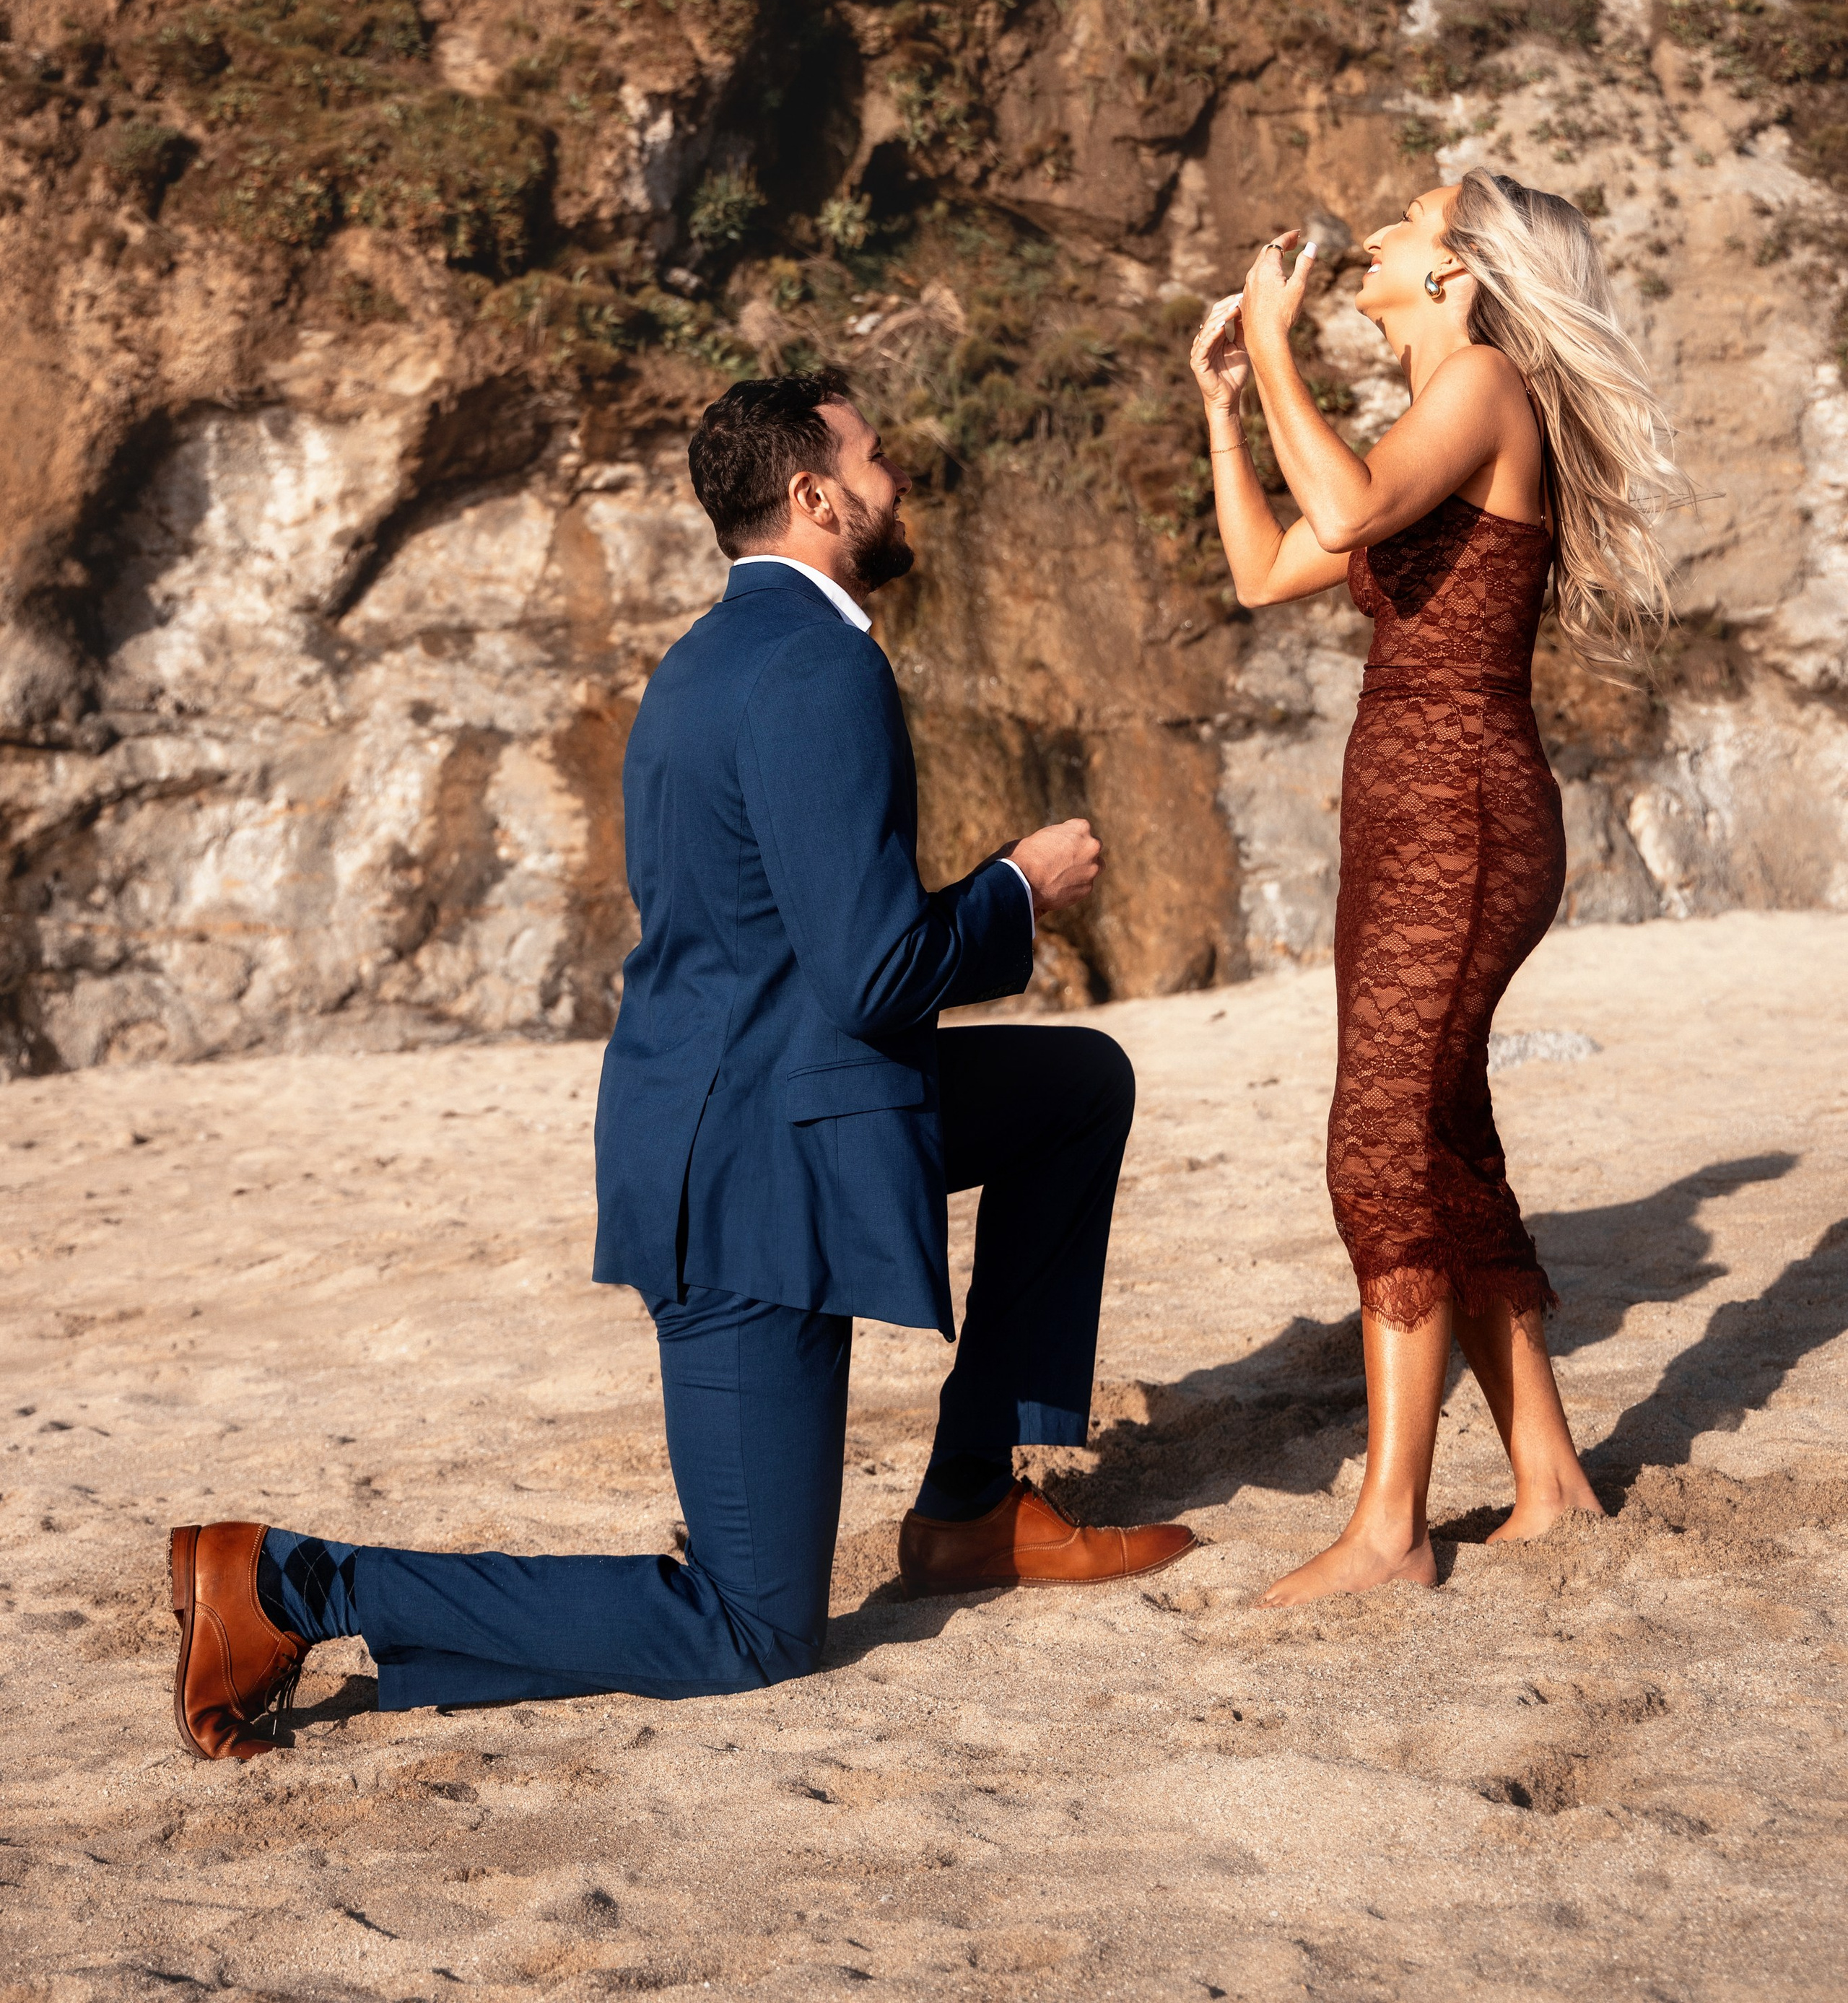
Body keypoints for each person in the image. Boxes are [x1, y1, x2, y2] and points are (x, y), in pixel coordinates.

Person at [171, 367, 1193, 1759]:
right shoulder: (817, 666)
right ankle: (290, 1583)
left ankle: (966, 1510)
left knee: (1074, 1089)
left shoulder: (718, 652)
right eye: (875, 459)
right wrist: (1015, 889)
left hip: (771, 1110)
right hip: (749, 1180)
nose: (899, 481)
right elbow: (874, 970)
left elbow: (795, 957)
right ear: (817, 494)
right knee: (754, 1628)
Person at [1189, 171, 1686, 1605]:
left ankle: (1389, 1527)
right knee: (1442, 1139)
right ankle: (1546, 1486)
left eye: (1406, 223)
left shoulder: (1477, 381)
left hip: (1458, 817)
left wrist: (1277, 342)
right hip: (1417, 822)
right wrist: (1228, 402)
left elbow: (1337, 514)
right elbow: (1267, 564)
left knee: (1378, 1144)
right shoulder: (1440, 407)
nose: (1378, 239)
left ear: (1457, 274)